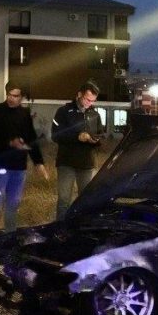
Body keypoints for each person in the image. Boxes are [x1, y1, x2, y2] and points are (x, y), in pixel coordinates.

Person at [0, 82, 50, 234]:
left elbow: (31, 139)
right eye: (9, 95)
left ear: (21, 97)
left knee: (13, 204)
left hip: (18, 168)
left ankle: (10, 236)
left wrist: (39, 163)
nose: (11, 98)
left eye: (16, 96)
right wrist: (9, 143)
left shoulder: (24, 114)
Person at [52, 81, 104, 220]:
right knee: (64, 200)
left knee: (85, 200)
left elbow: (100, 135)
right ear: (79, 94)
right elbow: (55, 135)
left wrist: (95, 140)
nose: (90, 103)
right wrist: (77, 137)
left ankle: (82, 227)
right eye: (87, 99)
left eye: (93, 100)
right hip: (66, 162)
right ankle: (61, 228)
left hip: (86, 163)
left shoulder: (95, 114)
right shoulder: (63, 112)